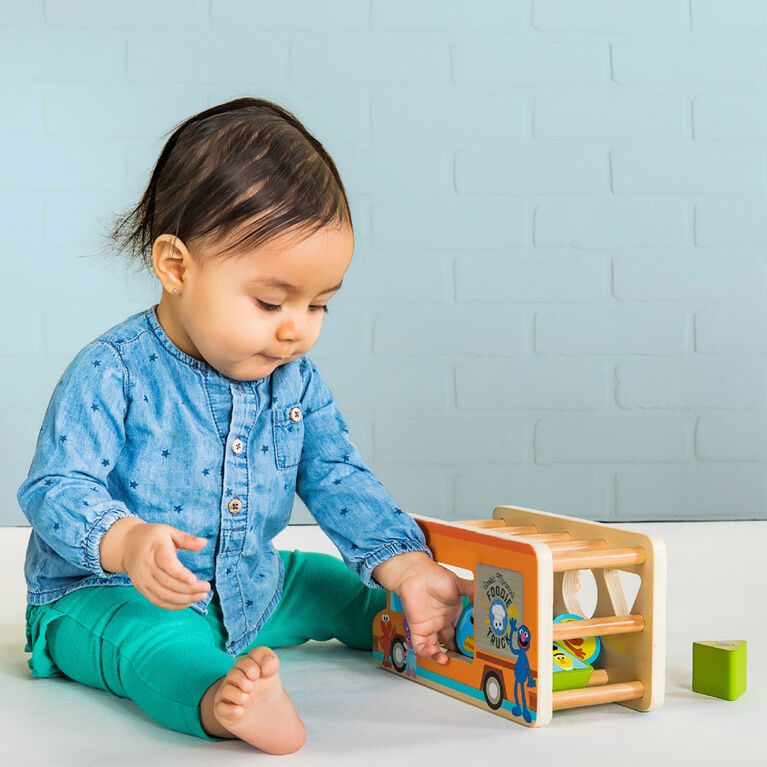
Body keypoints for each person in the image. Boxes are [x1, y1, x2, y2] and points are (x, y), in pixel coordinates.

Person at [17, 98, 473, 755]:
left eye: (319, 304)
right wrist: (125, 542)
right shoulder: (112, 370)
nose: (296, 328)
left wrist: (402, 564)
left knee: (323, 581)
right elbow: (54, 486)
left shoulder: (294, 380)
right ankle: (222, 701)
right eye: (270, 301)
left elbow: (337, 474)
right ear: (177, 267)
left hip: (246, 582)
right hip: (109, 593)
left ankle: (410, 620)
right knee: (158, 645)